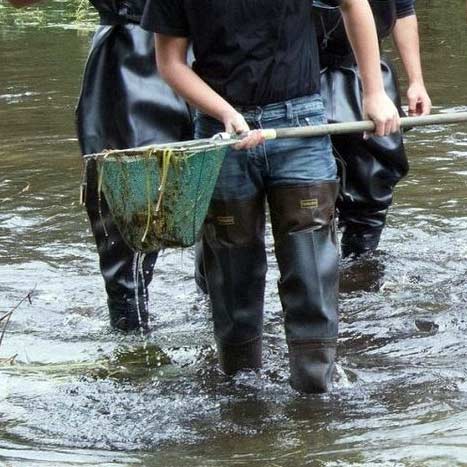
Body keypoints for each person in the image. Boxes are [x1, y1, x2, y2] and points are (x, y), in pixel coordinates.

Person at [142, 0, 401, 393]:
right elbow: (170, 63)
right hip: (220, 133)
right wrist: (225, 112)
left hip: (301, 125)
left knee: (311, 269)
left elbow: (354, 4)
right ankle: (239, 391)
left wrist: (374, 92)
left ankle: (316, 394)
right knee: (232, 274)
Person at [7, 0, 193, 332]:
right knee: (127, 209)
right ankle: (132, 345)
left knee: (223, 203)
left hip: (206, 51)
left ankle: (221, 343)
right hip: (130, 59)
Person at [316, 0, 431, 258]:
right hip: (300, 73)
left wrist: (416, 81)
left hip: (368, 74)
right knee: (305, 190)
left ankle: (361, 270)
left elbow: (403, 11)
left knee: (373, 184)